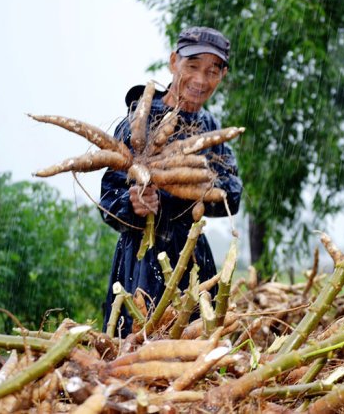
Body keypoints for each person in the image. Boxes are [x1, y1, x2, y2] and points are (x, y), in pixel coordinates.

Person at [99, 26, 242, 337]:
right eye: (192, 67)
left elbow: (232, 195)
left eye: (212, 71)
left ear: (223, 75)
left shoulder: (210, 128)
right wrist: (133, 204)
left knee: (196, 351)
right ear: (173, 62)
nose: (201, 80)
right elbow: (108, 198)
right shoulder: (139, 121)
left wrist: (175, 194)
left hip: (194, 259)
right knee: (135, 347)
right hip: (139, 259)